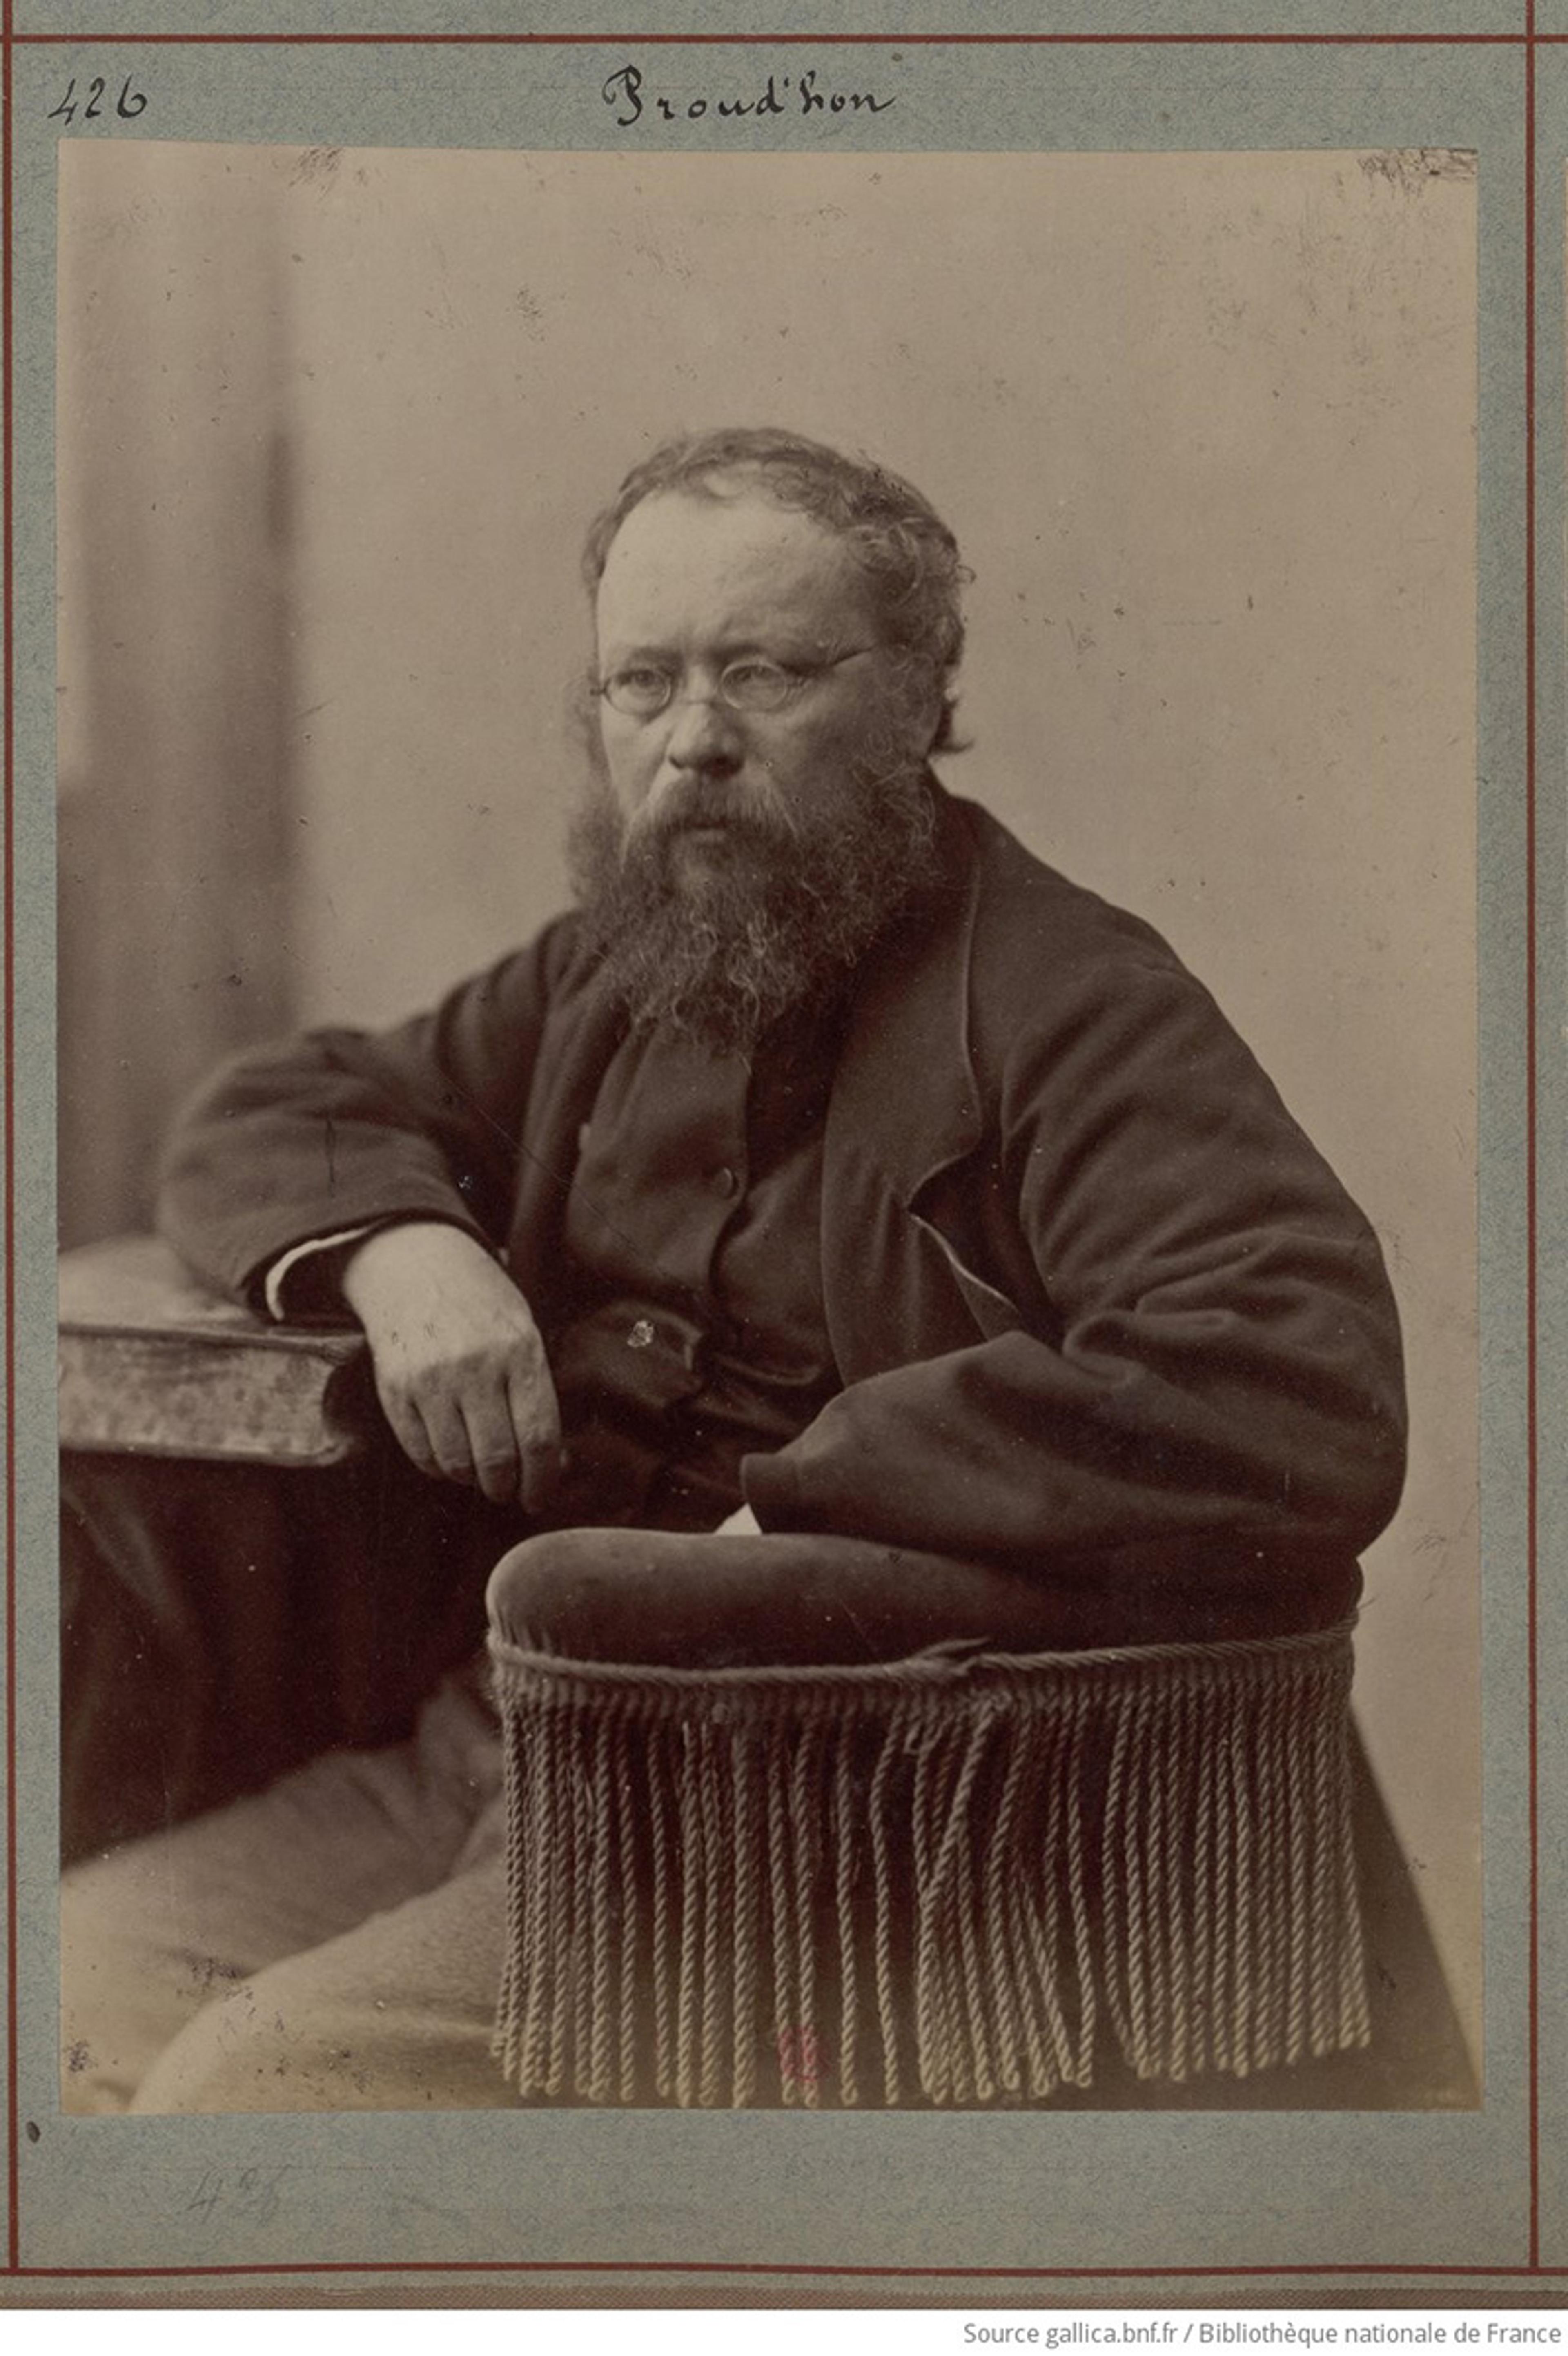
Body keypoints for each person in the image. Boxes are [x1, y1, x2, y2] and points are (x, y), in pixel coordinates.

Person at [60, 426, 1408, 2114]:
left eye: (763, 673)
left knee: (260, 2092)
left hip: (839, 1798)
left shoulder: (1075, 1004)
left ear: (919, 698)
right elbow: (278, 1104)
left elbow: (1293, 1371)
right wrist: (408, 1258)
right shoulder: (616, 968)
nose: (691, 742)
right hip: (505, 1734)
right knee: (64, 1990)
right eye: (642, 684)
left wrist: (823, 1491)